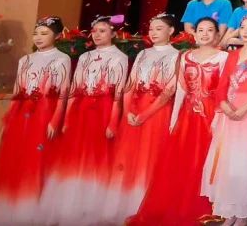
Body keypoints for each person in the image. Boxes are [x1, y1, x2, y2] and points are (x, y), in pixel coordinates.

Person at [129, 16, 228, 225]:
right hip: (188, 117)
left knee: (207, 162)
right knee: (182, 164)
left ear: (217, 34)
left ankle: (205, 211)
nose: (204, 34)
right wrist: (174, 120)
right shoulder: (186, 57)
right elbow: (181, 90)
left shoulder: (223, 58)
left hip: (211, 116)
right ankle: (178, 207)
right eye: (200, 30)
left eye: (209, 30)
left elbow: (224, 92)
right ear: (194, 34)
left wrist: (220, 120)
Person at [39, 16, 129, 225]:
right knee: (72, 159)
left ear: (113, 33)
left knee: (96, 159)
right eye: (94, 31)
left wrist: (113, 122)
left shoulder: (120, 58)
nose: (97, 35)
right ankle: (69, 206)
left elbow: (118, 94)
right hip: (80, 111)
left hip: (103, 110)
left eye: (102, 31)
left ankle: (91, 208)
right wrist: (66, 118)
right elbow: (73, 89)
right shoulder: (85, 57)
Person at [0, 17, 71, 226]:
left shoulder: (61, 59)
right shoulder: (25, 60)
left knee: (39, 161)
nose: (38, 37)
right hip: (21, 115)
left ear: (57, 36)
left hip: (44, 114)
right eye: (36, 33)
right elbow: (17, 93)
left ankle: (34, 210)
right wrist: (8, 120)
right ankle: (11, 208)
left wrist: (55, 120)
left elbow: (63, 93)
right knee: (16, 159)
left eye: (44, 33)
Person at [102, 14, 181, 222]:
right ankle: (122, 204)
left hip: (156, 113)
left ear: (171, 31)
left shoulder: (177, 56)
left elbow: (168, 91)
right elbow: (130, 85)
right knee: (127, 159)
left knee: (149, 158)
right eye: (151, 29)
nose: (153, 33)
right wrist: (128, 111)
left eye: (159, 29)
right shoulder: (143, 54)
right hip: (134, 112)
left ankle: (144, 206)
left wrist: (145, 114)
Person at [202, 13, 247, 224]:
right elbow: (222, 84)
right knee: (228, 162)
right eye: (243, 27)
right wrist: (224, 105)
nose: (246, 31)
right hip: (229, 114)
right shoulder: (232, 55)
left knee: (246, 161)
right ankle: (229, 210)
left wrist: (245, 108)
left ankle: (243, 212)